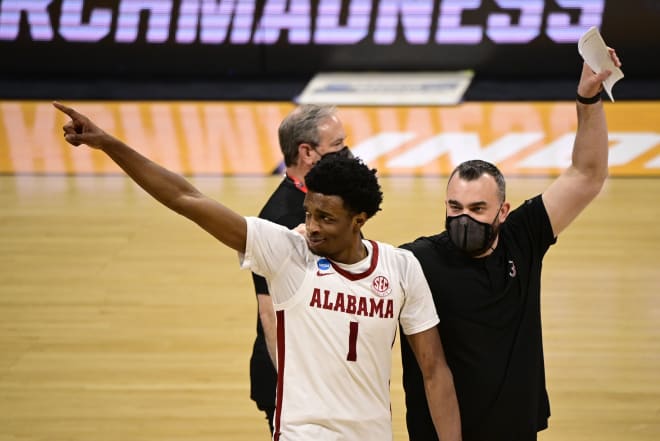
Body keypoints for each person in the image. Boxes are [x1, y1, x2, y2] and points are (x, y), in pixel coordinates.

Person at [52, 101, 462, 441]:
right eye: (309, 213)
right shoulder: (286, 252)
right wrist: (108, 144)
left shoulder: (400, 267)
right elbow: (185, 197)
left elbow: (434, 368)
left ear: (360, 218)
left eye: (326, 218)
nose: (312, 226)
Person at [399, 50, 622, 441]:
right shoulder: (417, 260)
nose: (463, 217)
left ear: (503, 210)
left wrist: (588, 99)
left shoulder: (524, 236)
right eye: (455, 206)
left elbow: (587, 174)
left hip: (516, 428)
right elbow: (355, 264)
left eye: (477, 208)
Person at [249, 104, 350, 435]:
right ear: (307, 152)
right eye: (337, 145)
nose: (346, 153)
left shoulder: (327, 197)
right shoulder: (277, 221)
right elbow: (269, 314)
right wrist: (295, 392)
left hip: (323, 365)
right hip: (292, 380)